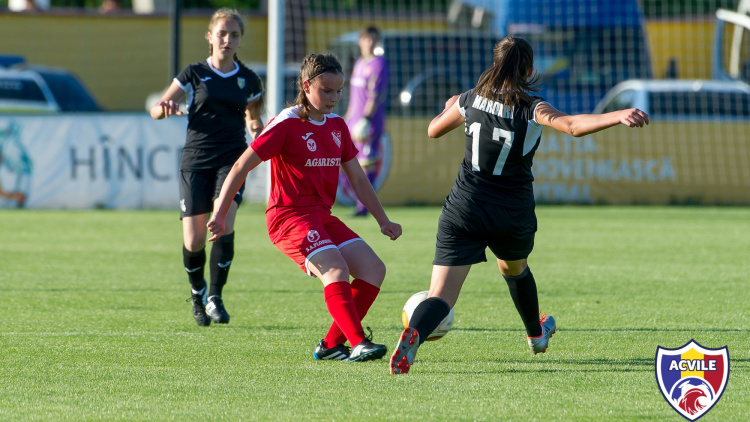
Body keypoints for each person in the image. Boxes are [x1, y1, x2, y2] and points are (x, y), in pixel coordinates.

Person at [389, 35, 649, 374]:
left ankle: (414, 336)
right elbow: (572, 126)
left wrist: (451, 104)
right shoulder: (532, 107)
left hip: (464, 207)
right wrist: (617, 114)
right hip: (510, 212)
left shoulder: (470, 99)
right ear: (528, 69)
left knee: (440, 295)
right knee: (513, 268)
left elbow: (433, 130)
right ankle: (535, 335)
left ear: (495, 64)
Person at [207, 52, 402, 362]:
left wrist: (383, 220)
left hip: (322, 217)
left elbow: (358, 179)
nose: (333, 98)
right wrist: (219, 212)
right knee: (335, 268)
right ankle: (358, 341)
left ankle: (330, 345)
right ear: (305, 84)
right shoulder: (287, 123)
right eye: (326, 90)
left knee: (373, 269)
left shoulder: (337, 126)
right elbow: (241, 165)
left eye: (338, 91)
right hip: (288, 217)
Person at [150, 8, 264, 327]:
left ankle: (215, 295)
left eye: (234, 34)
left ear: (240, 39)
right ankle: (197, 291)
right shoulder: (194, 73)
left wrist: (256, 127)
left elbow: (254, 115)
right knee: (194, 241)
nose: (228, 39)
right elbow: (155, 110)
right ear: (210, 36)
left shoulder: (249, 79)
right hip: (196, 160)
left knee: (224, 223)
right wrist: (165, 108)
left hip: (232, 159)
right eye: (222, 33)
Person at [340, 26, 389, 217]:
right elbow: (355, 96)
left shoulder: (379, 64)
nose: (370, 43)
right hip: (353, 121)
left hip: (369, 123)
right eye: (367, 39)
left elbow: (375, 96)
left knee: (366, 163)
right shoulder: (359, 63)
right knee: (345, 162)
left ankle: (363, 208)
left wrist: (366, 119)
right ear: (360, 41)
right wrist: (348, 117)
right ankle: (359, 201)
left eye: (374, 40)